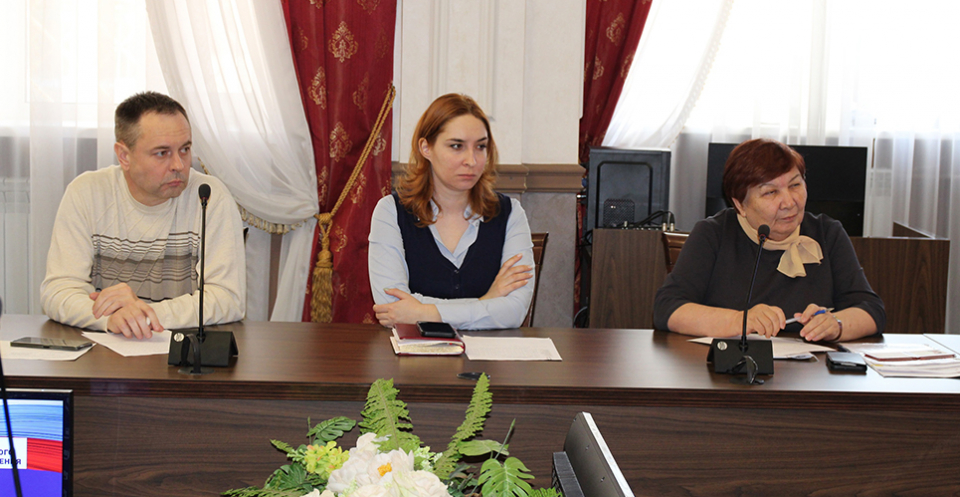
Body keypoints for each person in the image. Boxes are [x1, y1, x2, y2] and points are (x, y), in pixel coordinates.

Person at [40, 92, 245, 339]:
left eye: (185, 149)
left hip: (182, 350)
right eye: (162, 153)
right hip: (106, 351)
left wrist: (143, 315)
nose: (179, 165)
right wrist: (111, 318)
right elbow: (58, 291)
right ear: (124, 156)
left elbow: (227, 298)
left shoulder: (209, 197)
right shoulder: (87, 193)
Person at [654, 138, 884, 342]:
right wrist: (740, 320)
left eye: (795, 185)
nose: (789, 202)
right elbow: (668, 308)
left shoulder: (827, 233)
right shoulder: (713, 234)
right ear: (740, 204)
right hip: (731, 368)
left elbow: (871, 310)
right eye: (770, 192)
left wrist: (837, 325)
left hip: (810, 371)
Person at [368, 93, 534, 330]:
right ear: (426, 147)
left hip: (489, 354)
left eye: (481, 147)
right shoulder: (390, 212)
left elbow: (514, 311)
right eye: (457, 146)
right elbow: (392, 307)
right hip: (414, 353)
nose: (471, 160)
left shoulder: (510, 213)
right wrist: (487, 302)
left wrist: (422, 311)